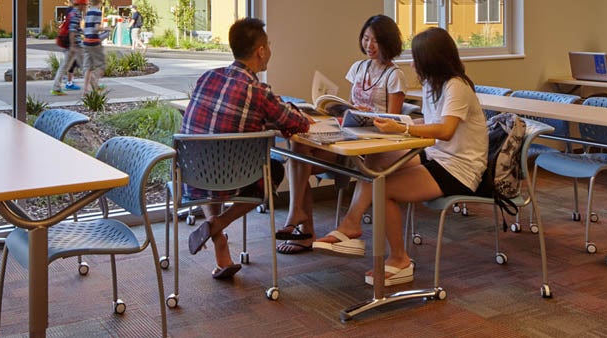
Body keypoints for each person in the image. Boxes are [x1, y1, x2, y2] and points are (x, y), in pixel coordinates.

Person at [312, 27, 489, 287]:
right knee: (375, 162)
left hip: (459, 168)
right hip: (436, 156)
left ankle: (399, 259)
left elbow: (446, 130)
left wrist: (403, 127)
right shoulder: (433, 85)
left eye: (417, 58)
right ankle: (350, 226)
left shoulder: (456, 87)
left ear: (431, 59)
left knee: (384, 190)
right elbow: (432, 124)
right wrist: (399, 122)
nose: (413, 64)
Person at [181, 17, 310, 279]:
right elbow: (298, 124)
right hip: (233, 179)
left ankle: (220, 247)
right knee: (272, 170)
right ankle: (218, 224)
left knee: (211, 167)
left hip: (193, 176)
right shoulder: (258, 91)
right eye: (269, 45)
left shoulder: (207, 77)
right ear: (261, 51)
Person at [277, 15, 408, 255]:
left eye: (376, 41)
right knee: (299, 151)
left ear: (388, 42)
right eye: (366, 39)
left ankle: (299, 222)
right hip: (347, 134)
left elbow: (394, 122)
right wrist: (339, 108)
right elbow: (352, 103)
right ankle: (299, 218)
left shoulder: (394, 75)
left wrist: (370, 115)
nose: (369, 45)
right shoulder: (358, 67)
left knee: (300, 162)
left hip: (370, 146)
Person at [51, 0, 87, 95]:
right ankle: (93, 86)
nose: (86, 7)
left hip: (71, 45)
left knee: (65, 66)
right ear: (80, 5)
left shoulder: (72, 13)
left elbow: (76, 29)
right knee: (85, 65)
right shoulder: (76, 14)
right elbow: (72, 31)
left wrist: (84, 32)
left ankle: (56, 87)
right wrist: (72, 46)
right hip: (75, 45)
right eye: (85, 5)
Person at [82, 0, 107, 93]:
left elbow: (85, 28)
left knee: (88, 66)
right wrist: (106, 28)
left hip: (86, 41)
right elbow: (97, 28)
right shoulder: (97, 12)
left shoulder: (87, 12)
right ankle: (95, 82)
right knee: (101, 65)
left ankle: (85, 90)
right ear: (100, 2)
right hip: (94, 41)